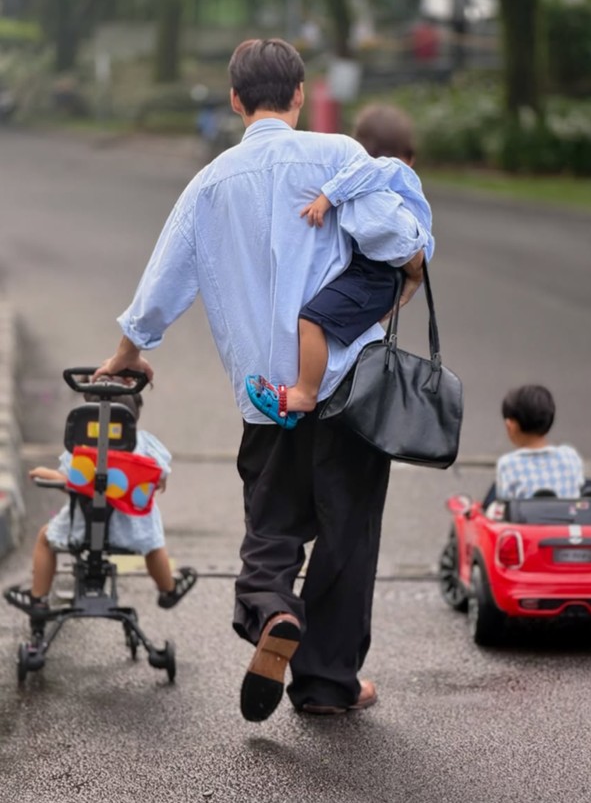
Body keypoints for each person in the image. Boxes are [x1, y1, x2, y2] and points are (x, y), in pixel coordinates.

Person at [93, 37, 433, 722]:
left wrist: (129, 352)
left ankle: (273, 608)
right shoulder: (340, 158)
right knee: (348, 535)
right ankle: (326, 685)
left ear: (235, 100)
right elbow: (399, 244)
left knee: (272, 528)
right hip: (350, 387)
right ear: (300, 95)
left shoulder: (211, 182)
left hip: (267, 401)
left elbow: (163, 282)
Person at [246, 103, 425, 426]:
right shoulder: (399, 190)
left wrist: (327, 198)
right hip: (374, 276)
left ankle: (305, 393)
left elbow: (405, 244)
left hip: (373, 278)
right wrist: (415, 276)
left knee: (311, 320)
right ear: (410, 155)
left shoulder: (381, 176)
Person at [3, 381, 197, 615]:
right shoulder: (145, 445)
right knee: (154, 544)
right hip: (133, 531)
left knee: (45, 538)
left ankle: (38, 598)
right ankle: (168, 588)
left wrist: (43, 473)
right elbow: (160, 477)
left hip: (82, 530)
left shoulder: (80, 451)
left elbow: (68, 483)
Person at [484, 385, 585, 507]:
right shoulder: (570, 456)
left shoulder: (508, 464)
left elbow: (504, 507)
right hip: (568, 523)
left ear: (511, 426)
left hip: (526, 524)